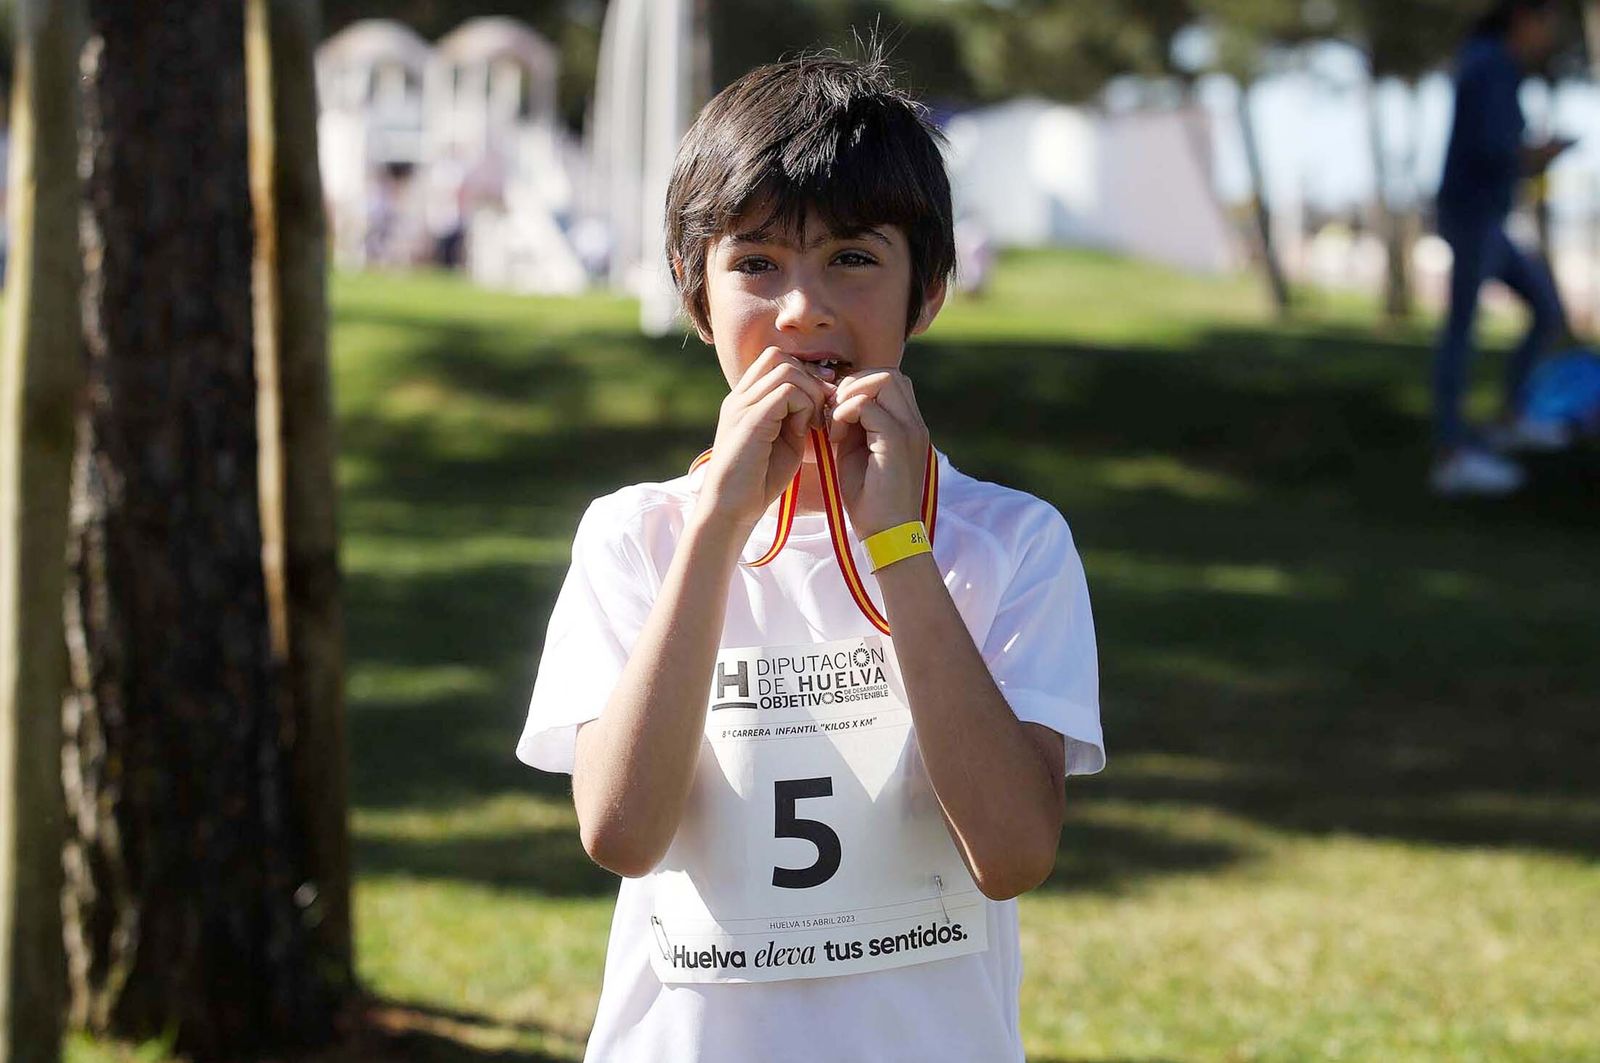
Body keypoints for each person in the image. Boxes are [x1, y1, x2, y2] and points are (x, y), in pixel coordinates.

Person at [515, 52, 1104, 1063]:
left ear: (928, 293)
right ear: (694, 294)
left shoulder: (1012, 541)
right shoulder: (636, 536)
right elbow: (621, 833)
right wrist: (716, 528)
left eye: (852, 257)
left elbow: (1012, 853)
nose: (802, 309)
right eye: (755, 263)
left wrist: (899, 543)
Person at [1430, 0, 1574, 497]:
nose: (1549, 37)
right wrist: (1540, 154)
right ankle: (1451, 455)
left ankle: (1509, 419)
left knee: (1546, 309)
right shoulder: (1492, 65)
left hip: (1485, 217)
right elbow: (1493, 151)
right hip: (1472, 216)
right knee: (1462, 330)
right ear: (1524, 19)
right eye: (1547, 24)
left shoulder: (1492, 64)